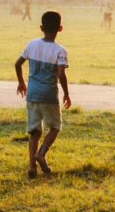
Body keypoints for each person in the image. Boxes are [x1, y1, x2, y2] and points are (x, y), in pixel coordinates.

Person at [15, 10, 72, 178]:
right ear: (60, 28)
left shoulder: (32, 44)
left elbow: (18, 64)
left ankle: (31, 166)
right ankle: (41, 153)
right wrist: (66, 94)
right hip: (49, 95)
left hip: (32, 94)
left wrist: (21, 82)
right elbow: (61, 75)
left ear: (41, 27)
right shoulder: (60, 51)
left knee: (34, 132)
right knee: (54, 127)